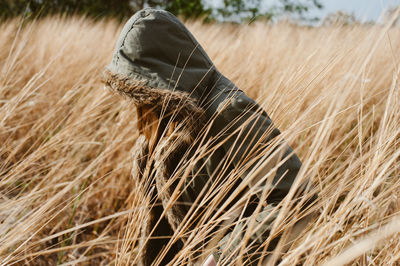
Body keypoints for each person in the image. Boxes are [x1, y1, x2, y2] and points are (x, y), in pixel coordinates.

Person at [102, 8, 315, 265]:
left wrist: (222, 256)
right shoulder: (166, 120)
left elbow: (296, 199)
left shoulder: (229, 111)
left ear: (163, 71)